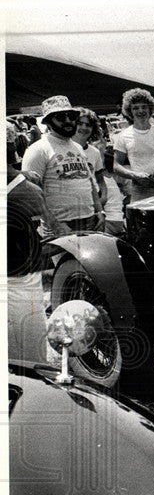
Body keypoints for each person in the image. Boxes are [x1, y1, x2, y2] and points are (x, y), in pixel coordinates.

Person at [20, 95, 105, 236]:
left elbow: (89, 182)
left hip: (90, 220)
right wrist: (54, 224)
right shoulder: (38, 150)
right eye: (60, 117)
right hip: (60, 224)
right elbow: (31, 194)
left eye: (71, 116)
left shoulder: (78, 147)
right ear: (48, 122)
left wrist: (99, 211)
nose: (68, 121)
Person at [7, 121, 51, 363]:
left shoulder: (27, 191)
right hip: (21, 281)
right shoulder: (30, 191)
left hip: (19, 278)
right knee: (30, 360)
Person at [113, 88, 154, 204]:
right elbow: (116, 165)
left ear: (150, 108)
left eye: (144, 107)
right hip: (140, 190)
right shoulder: (123, 136)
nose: (141, 111)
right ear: (130, 111)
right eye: (136, 108)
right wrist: (134, 175)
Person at [71, 107, 108, 207]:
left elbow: (100, 180)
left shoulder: (95, 152)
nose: (84, 127)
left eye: (88, 125)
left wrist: (103, 197)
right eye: (79, 123)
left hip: (93, 204)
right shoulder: (63, 149)